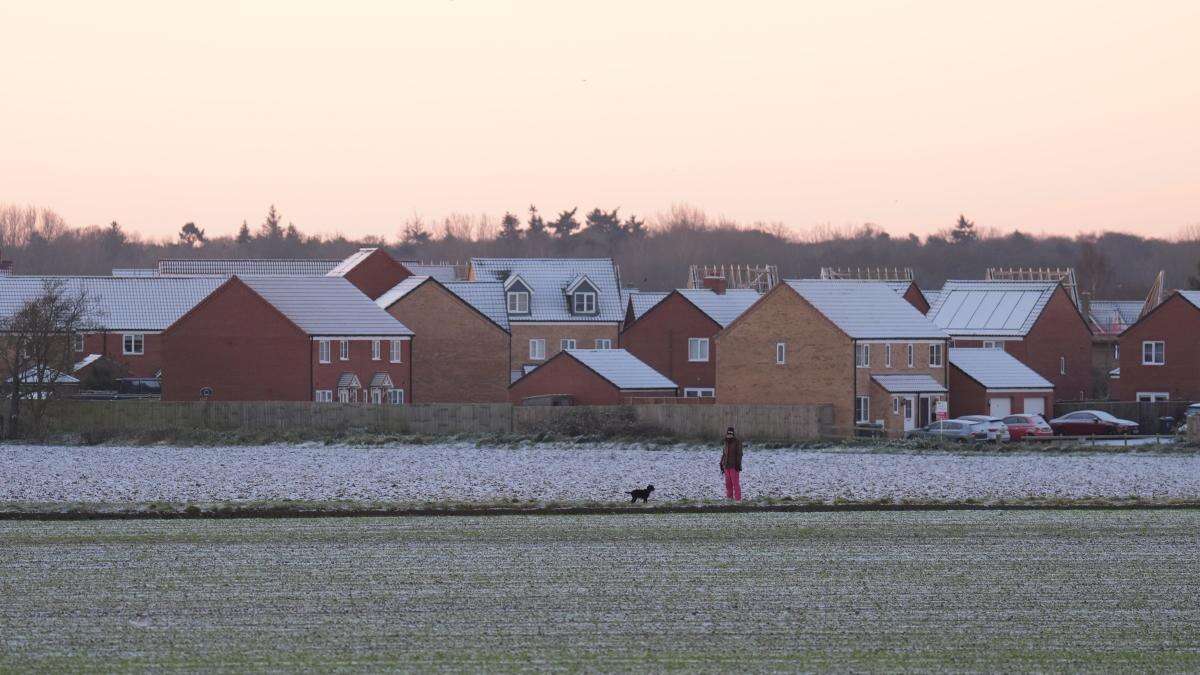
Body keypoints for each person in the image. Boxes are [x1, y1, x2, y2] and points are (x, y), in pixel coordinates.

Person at [719, 427, 743, 501]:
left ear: (733, 434)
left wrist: (738, 464)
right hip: (726, 466)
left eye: (731, 434)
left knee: (735, 484)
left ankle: (738, 500)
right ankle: (729, 499)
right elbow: (724, 454)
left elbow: (739, 454)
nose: (729, 435)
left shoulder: (737, 442)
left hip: (734, 466)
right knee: (728, 484)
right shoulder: (725, 442)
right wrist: (721, 464)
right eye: (728, 434)